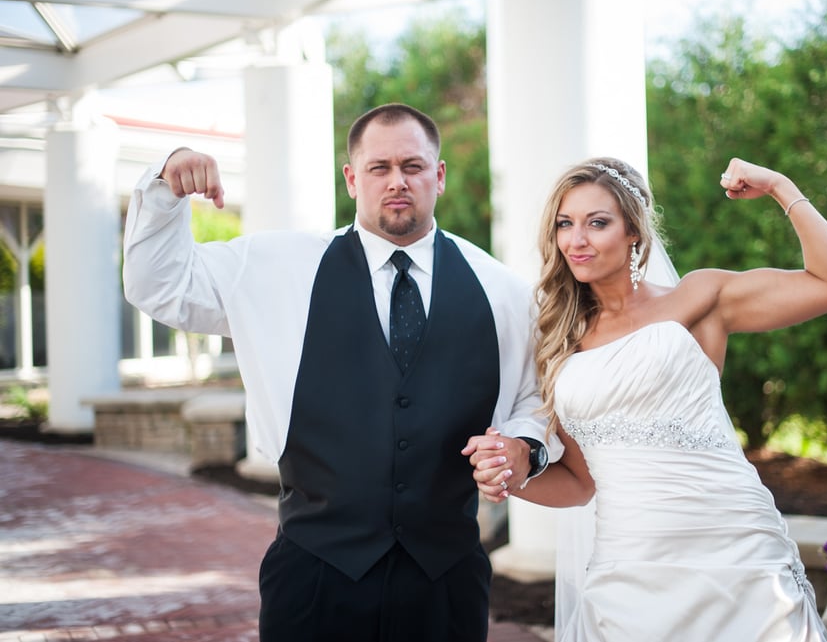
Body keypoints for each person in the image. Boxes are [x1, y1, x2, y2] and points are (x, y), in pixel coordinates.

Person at [122, 102, 563, 642]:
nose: (396, 182)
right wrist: (166, 185)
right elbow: (158, 286)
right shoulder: (276, 268)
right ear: (352, 179)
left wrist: (523, 446)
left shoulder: (504, 291)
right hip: (314, 579)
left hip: (445, 584)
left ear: (439, 176)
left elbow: (533, 399)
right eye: (379, 168)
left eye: (413, 166)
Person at [465, 157, 827, 641]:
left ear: (634, 230)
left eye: (598, 223)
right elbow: (579, 484)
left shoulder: (700, 298)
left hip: (734, 550)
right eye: (564, 225)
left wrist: (781, 186)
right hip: (628, 569)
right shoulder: (559, 341)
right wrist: (511, 475)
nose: (577, 240)